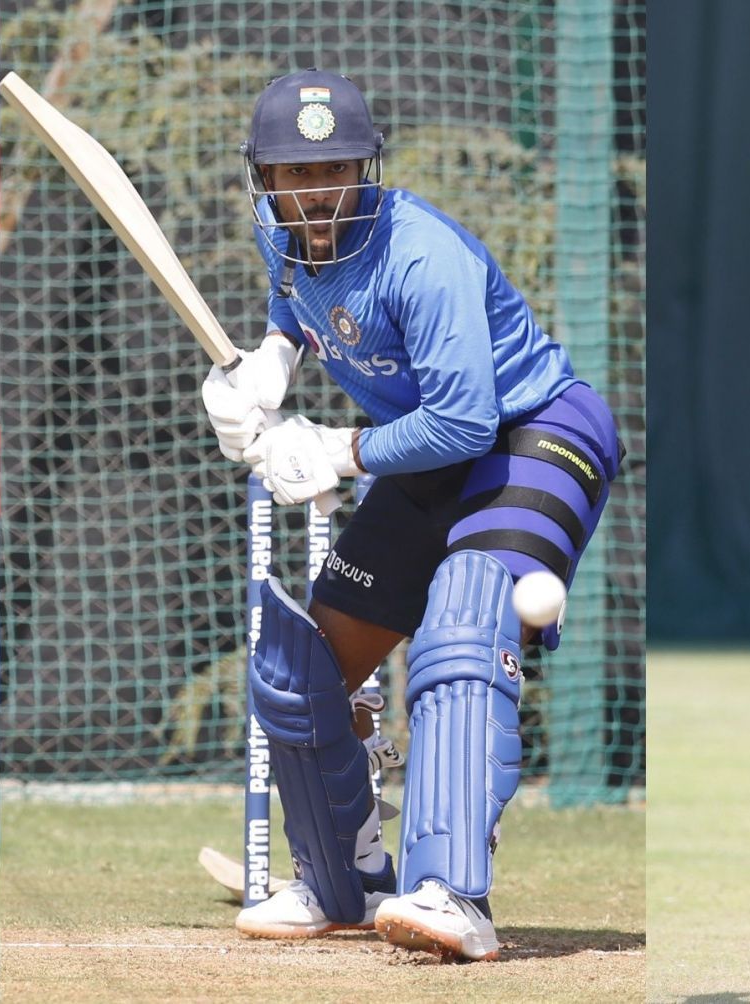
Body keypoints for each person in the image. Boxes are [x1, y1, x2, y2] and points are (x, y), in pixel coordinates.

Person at [202, 68, 623, 962]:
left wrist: (335, 451)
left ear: (367, 168)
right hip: (430, 453)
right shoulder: (282, 238)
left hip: (531, 431)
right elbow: (296, 305)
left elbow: (467, 417)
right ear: (264, 178)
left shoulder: (418, 256)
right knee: (298, 669)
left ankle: (452, 894)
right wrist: (269, 362)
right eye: (293, 175)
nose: (314, 193)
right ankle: (341, 882)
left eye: (334, 172)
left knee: (464, 617)